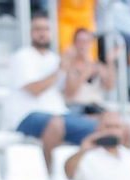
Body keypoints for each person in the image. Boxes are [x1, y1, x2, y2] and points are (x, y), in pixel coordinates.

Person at [7, 15, 98, 164]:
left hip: (59, 113)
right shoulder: (22, 56)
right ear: (30, 32)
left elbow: (70, 93)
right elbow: (35, 89)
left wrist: (82, 65)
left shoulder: (55, 58)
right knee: (56, 123)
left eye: (46, 29)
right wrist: (61, 69)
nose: (42, 33)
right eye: (38, 29)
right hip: (27, 115)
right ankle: (50, 172)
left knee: (102, 128)